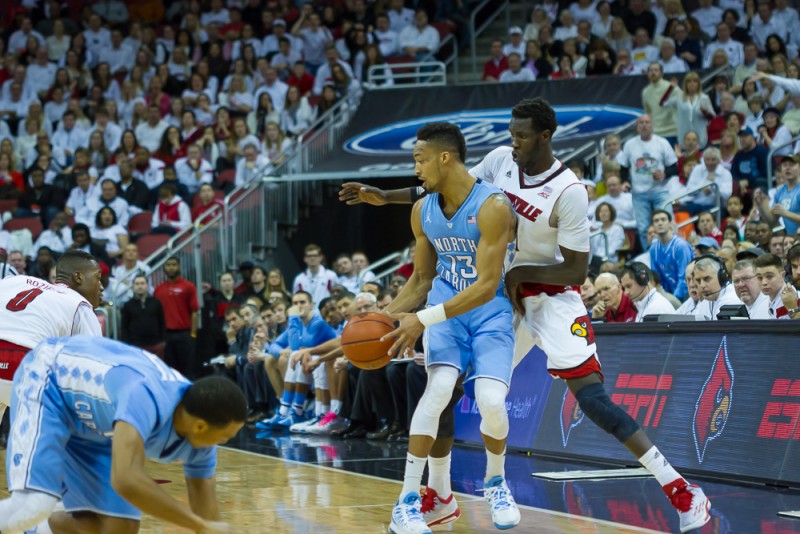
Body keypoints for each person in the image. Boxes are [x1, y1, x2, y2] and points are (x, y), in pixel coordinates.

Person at [340, 99, 711, 534]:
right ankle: (439, 496)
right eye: (511, 133)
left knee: (592, 399)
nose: (511, 142)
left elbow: (575, 268)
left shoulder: (570, 190)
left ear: (545, 136)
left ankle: (681, 488)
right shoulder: (500, 161)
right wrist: (386, 198)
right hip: (497, 295)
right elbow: (450, 185)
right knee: (443, 384)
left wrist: (517, 275)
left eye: (520, 136)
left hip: (551, 297)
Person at [379, 122, 520, 534]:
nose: (415, 169)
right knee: (438, 389)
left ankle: (496, 483)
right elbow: (422, 280)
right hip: (444, 309)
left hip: (490, 312)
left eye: (419, 160)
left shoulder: (492, 206)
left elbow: (486, 286)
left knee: (491, 400)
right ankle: (406, 502)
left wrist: (420, 319)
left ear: (445, 157)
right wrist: (384, 319)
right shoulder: (422, 210)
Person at [0, 336, 245, 534]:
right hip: (50, 379)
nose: (224, 442)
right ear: (200, 426)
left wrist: (208, 527)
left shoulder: (201, 436)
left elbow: (210, 520)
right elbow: (126, 480)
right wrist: (198, 525)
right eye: (226, 436)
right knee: (32, 506)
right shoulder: (145, 397)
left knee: (120, 527)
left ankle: (39, 529)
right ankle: (33, 525)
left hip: (96, 425)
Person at [0, 250, 103, 430]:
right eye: (98, 277)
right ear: (78, 277)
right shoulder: (78, 304)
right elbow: (95, 364)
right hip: (22, 364)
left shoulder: (13, 281)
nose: (101, 286)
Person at [619, 114, 678, 249]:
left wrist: (664, 174)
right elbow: (623, 167)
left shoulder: (662, 142)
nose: (644, 125)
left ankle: (671, 250)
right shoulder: (630, 144)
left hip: (660, 191)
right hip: (639, 193)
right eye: (641, 123)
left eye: (647, 122)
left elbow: (674, 167)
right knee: (644, 228)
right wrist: (624, 181)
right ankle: (649, 255)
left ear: (652, 125)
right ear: (637, 127)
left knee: (668, 223)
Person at [154, 256, 200, 378]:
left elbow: (195, 311)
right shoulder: (158, 290)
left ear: (179, 267)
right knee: (169, 370)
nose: (171, 267)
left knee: (188, 369)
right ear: (164, 268)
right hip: (166, 335)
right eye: (168, 265)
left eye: (174, 264)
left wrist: (193, 335)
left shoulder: (189, 287)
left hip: (184, 334)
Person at [649, 210, 694, 300]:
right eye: (656, 221)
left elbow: (684, 278)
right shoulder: (653, 249)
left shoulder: (681, 246)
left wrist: (674, 299)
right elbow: (657, 279)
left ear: (670, 224)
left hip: (689, 295)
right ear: (653, 226)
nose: (660, 223)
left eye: (663, 219)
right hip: (668, 296)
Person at [121, 274, 166, 356]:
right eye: (137, 284)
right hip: (135, 346)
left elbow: (162, 322)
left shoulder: (156, 302)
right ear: (133, 286)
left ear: (147, 285)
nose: (140, 286)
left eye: (142, 283)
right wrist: (127, 344)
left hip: (155, 345)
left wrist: (162, 342)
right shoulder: (128, 305)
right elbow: (124, 327)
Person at [693, 255, 743, 320]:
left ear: (721, 277)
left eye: (707, 279)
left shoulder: (731, 300)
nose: (702, 285)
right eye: (698, 280)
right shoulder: (706, 300)